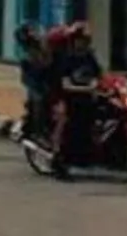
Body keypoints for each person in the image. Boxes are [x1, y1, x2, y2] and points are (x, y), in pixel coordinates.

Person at [50, 21, 103, 178]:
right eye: (79, 40)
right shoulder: (67, 60)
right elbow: (65, 84)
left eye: (84, 40)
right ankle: (60, 161)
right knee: (68, 127)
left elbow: (99, 75)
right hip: (70, 100)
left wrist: (99, 84)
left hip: (87, 100)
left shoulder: (89, 57)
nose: (81, 43)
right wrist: (85, 88)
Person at [15, 23, 51, 143]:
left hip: (48, 79)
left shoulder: (46, 48)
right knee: (39, 99)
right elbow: (29, 76)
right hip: (36, 82)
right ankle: (38, 130)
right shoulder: (26, 56)